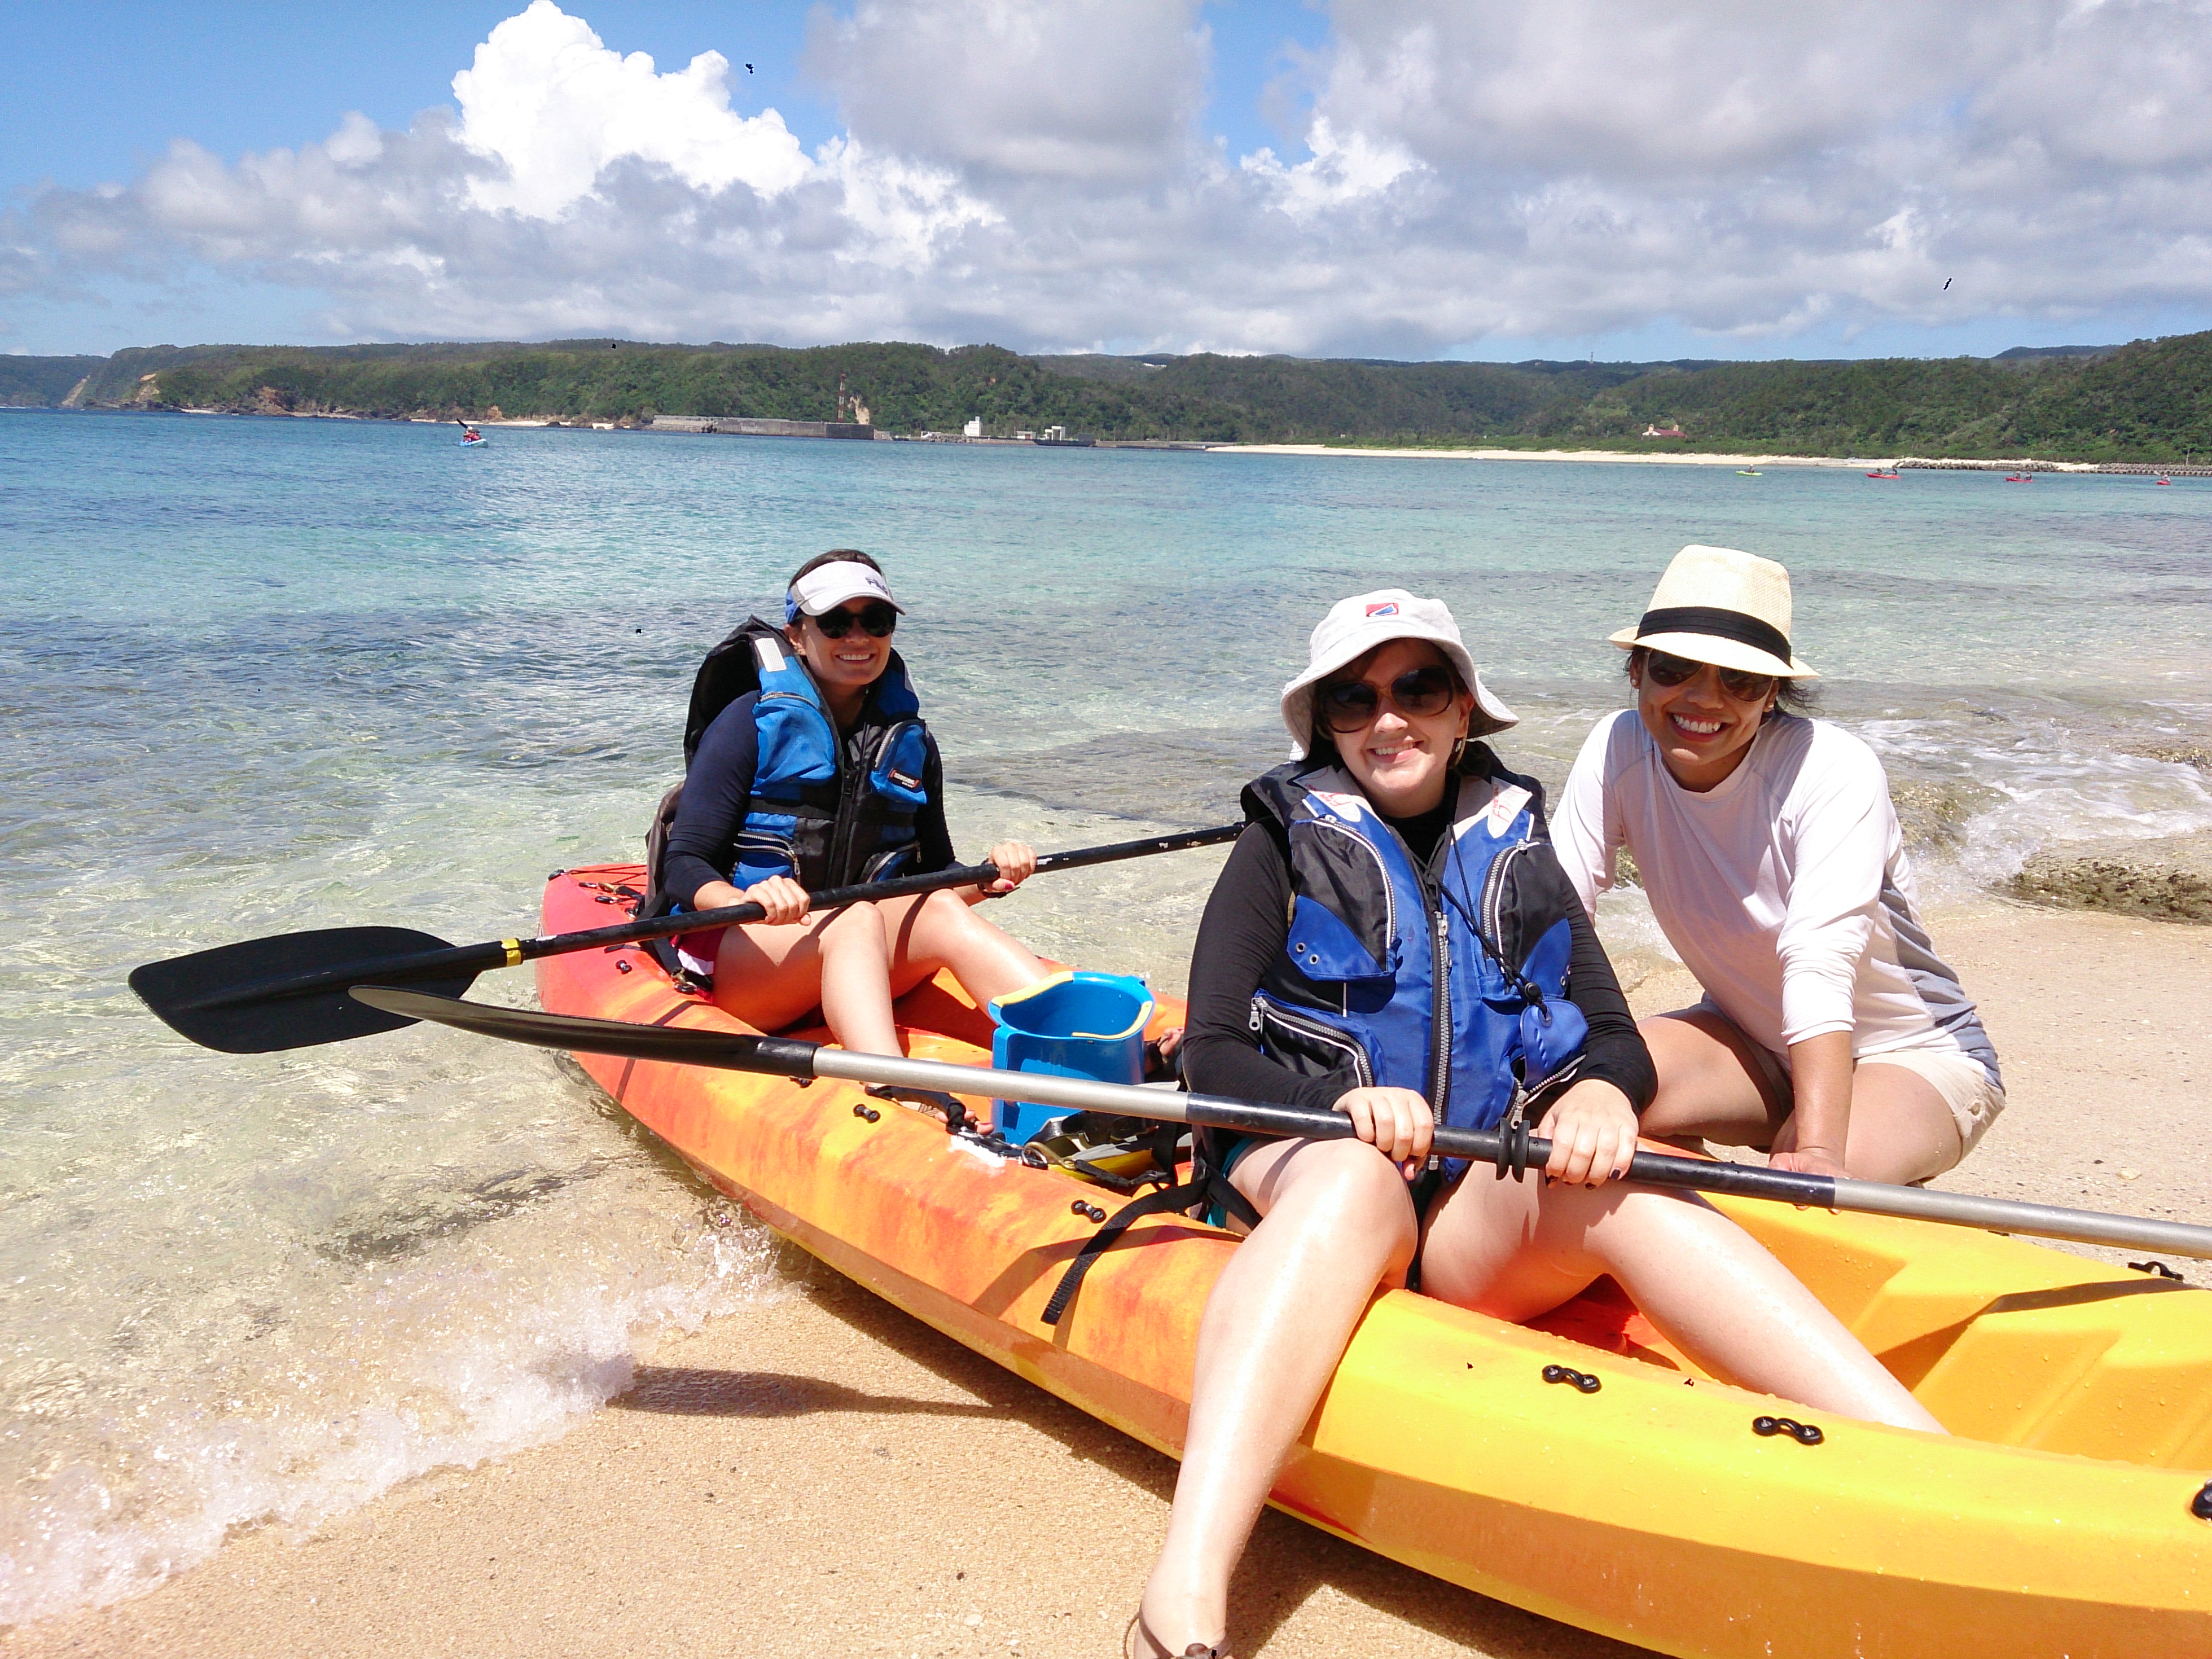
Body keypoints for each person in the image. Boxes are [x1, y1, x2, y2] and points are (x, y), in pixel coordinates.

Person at [1133, 590, 1942, 1659]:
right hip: (1315, 1185)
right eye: (1354, 698)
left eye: (1419, 688)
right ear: (1322, 722)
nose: (1390, 719)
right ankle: (1182, 1595)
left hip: (1467, 1215)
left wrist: (1602, 1092)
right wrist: (1338, 1107)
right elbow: (1217, 1051)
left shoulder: (1514, 839)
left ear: (1465, 707)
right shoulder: (1277, 840)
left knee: (1630, 1181)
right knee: (1354, 1177)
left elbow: (1609, 1032)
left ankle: (1924, 1466)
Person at [1552, 545, 2003, 1186]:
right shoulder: (1616, 747)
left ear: (1771, 696)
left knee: (1799, 1180)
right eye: (1676, 667)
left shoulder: (1829, 769)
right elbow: (1558, 917)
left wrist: (1817, 1151)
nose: (1703, 699)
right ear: (1637, 671)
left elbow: (1818, 958)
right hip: (1746, 1038)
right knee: (1586, 1097)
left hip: (1911, 1053)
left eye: (1739, 680)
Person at [659, 550, 1050, 1052]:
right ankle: (893, 1083)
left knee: (939, 912)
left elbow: (933, 875)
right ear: (798, 636)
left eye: (877, 621)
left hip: (858, 954)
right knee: (856, 917)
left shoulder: (911, 744)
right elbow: (685, 865)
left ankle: (1081, 1054)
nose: (859, 638)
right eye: (836, 623)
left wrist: (988, 878)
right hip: (751, 956)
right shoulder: (745, 723)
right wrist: (745, 901)